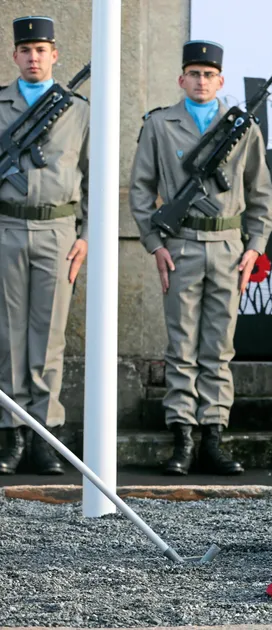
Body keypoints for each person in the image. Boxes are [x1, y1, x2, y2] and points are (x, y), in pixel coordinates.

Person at [129, 40, 272, 476]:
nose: (201, 81)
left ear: (221, 81)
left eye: (209, 75)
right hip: (182, 247)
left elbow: (262, 194)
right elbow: (140, 191)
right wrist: (155, 244)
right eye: (193, 73)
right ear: (181, 79)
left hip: (229, 246)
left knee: (219, 347)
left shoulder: (244, 128)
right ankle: (182, 437)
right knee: (182, 346)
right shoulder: (160, 125)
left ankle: (213, 435)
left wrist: (255, 247)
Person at [0, 16, 89, 475]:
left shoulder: (79, 109)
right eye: (26, 50)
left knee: (50, 337)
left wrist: (87, 236)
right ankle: (11, 435)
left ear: (55, 54)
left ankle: (45, 436)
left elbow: (94, 178)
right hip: (7, 229)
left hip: (59, 232)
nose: (34, 57)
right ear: (14, 55)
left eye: (42, 49)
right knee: (9, 337)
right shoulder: (0, 105)